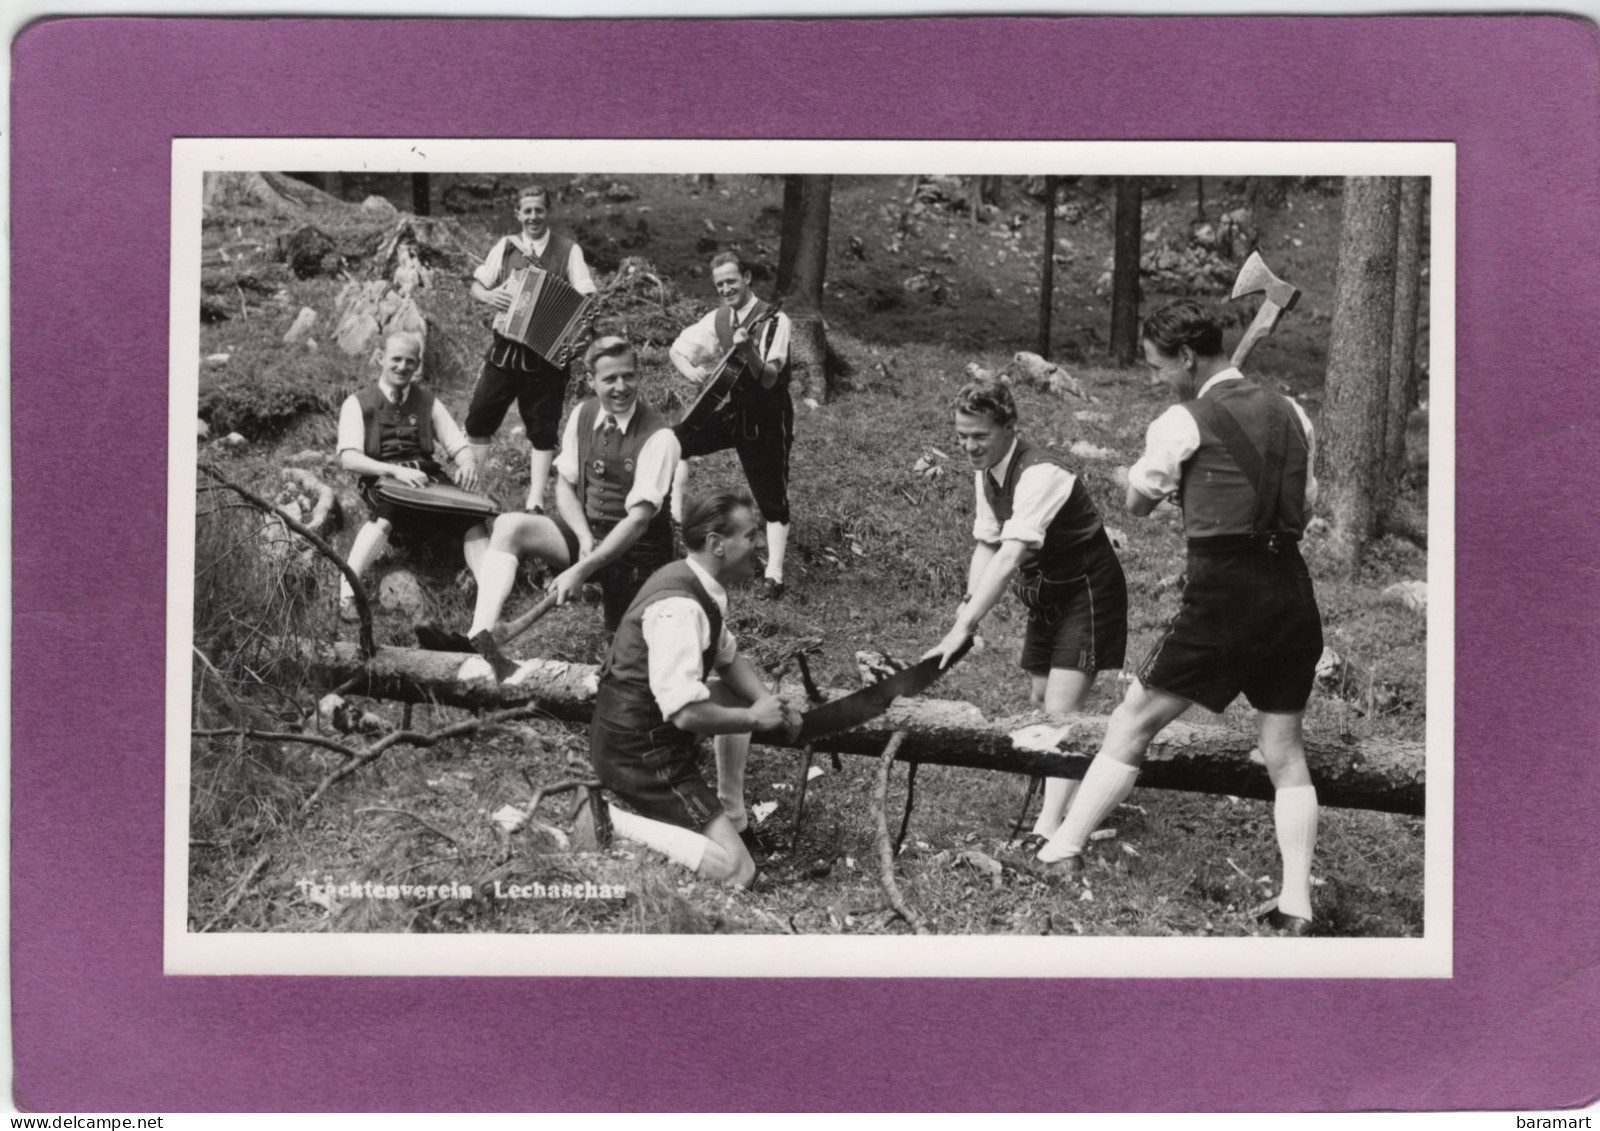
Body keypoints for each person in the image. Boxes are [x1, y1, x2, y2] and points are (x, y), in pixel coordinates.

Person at [1031, 299, 1324, 936]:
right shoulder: (1294, 413)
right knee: (1283, 749)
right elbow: (1304, 505)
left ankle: (1060, 849)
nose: (1158, 378)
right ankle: (1297, 903)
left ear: (1189, 358)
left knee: (1131, 721)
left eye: (1160, 367)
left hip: (1224, 594)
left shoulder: (1180, 420)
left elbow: (1138, 503)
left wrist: (1129, 474)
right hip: (1292, 593)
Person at [925, 378, 1129, 848]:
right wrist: (968, 604)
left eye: (979, 436)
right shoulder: (986, 473)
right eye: (961, 435)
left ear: (1008, 427)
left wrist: (965, 625)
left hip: (1088, 592)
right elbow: (986, 541)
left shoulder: (1041, 473)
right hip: (1046, 595)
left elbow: (1010, 554)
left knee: (1060, 714)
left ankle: (1049, 828)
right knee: (1041, 700)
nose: (968, 446)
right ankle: (1075, 791)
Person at [416, 336, 681, 678]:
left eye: (628, 376)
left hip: (637, 556)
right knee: (511, 526)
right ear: (590, 381)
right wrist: (583, 537)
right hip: (590, 537)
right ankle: (480, 637)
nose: (621, 387)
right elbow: (566, 486)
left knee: (622, 661)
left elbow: (640, 521)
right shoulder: (583, 415)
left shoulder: (660, 437)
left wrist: (581, 571)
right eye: (609, 379)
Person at [584, 488, 800, 887]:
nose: (758, 545)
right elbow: (685, 713)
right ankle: (610, 820)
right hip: (637, 752)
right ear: (717, 544)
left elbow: (728, 659)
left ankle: (733, 816)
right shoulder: (680, 609)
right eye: (751, 536)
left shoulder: (698, 584)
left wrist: (770, 703)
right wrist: (755, 717)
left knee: (736, 691)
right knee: (739, 871)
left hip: (646, 729)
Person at [334, 331, 488, 618]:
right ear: (380, 359)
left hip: (426, 478)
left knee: (472, 517)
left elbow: (457, 445)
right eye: (396, 359)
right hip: (381, 478)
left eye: (410, 361)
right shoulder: (358, 403)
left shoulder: (428, 401)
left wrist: (466, 462)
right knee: (387, 511)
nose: (402, 367)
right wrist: (394, 471)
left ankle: (488, 599)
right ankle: (347, 593)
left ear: (417, 364)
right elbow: (348, 458)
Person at [668, 251, 794, 599]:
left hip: (768, 418)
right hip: (734, 412)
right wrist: (690, 370)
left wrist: (749, 348)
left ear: (748, 278)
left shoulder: (775, 320)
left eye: (731, 281)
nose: (726, 289)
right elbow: (677, 349)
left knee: (771, 499)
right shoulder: (719, 318)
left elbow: (769, 378)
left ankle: (775, 575)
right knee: (676, 441)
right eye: (720, 284)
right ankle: (675, 517)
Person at [464, 183, 598, 512]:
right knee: (479, 417)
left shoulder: (568, 250)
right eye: (527, 210)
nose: (533, 216)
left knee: (543, 427)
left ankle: (535, 501)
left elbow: (588, 297)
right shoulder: (506, 247)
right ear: (518, 213)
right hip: (505, 351)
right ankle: (471, 495)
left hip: (546, 357)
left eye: (539, 209)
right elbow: (477, 285)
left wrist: (573, 331)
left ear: (547, 211)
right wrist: (490, 295)